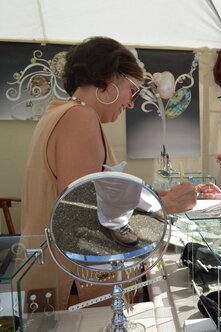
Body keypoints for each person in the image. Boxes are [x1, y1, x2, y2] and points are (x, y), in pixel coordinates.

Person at [20, 37, 197, 308]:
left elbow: (97, 194)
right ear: (109, 78)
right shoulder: (80, 117)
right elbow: (77, 219)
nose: (131, 103)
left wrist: (154, 194)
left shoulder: (60, 113)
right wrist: (164, 207)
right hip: (78, 283)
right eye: (133, 91)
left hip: (62, 276)